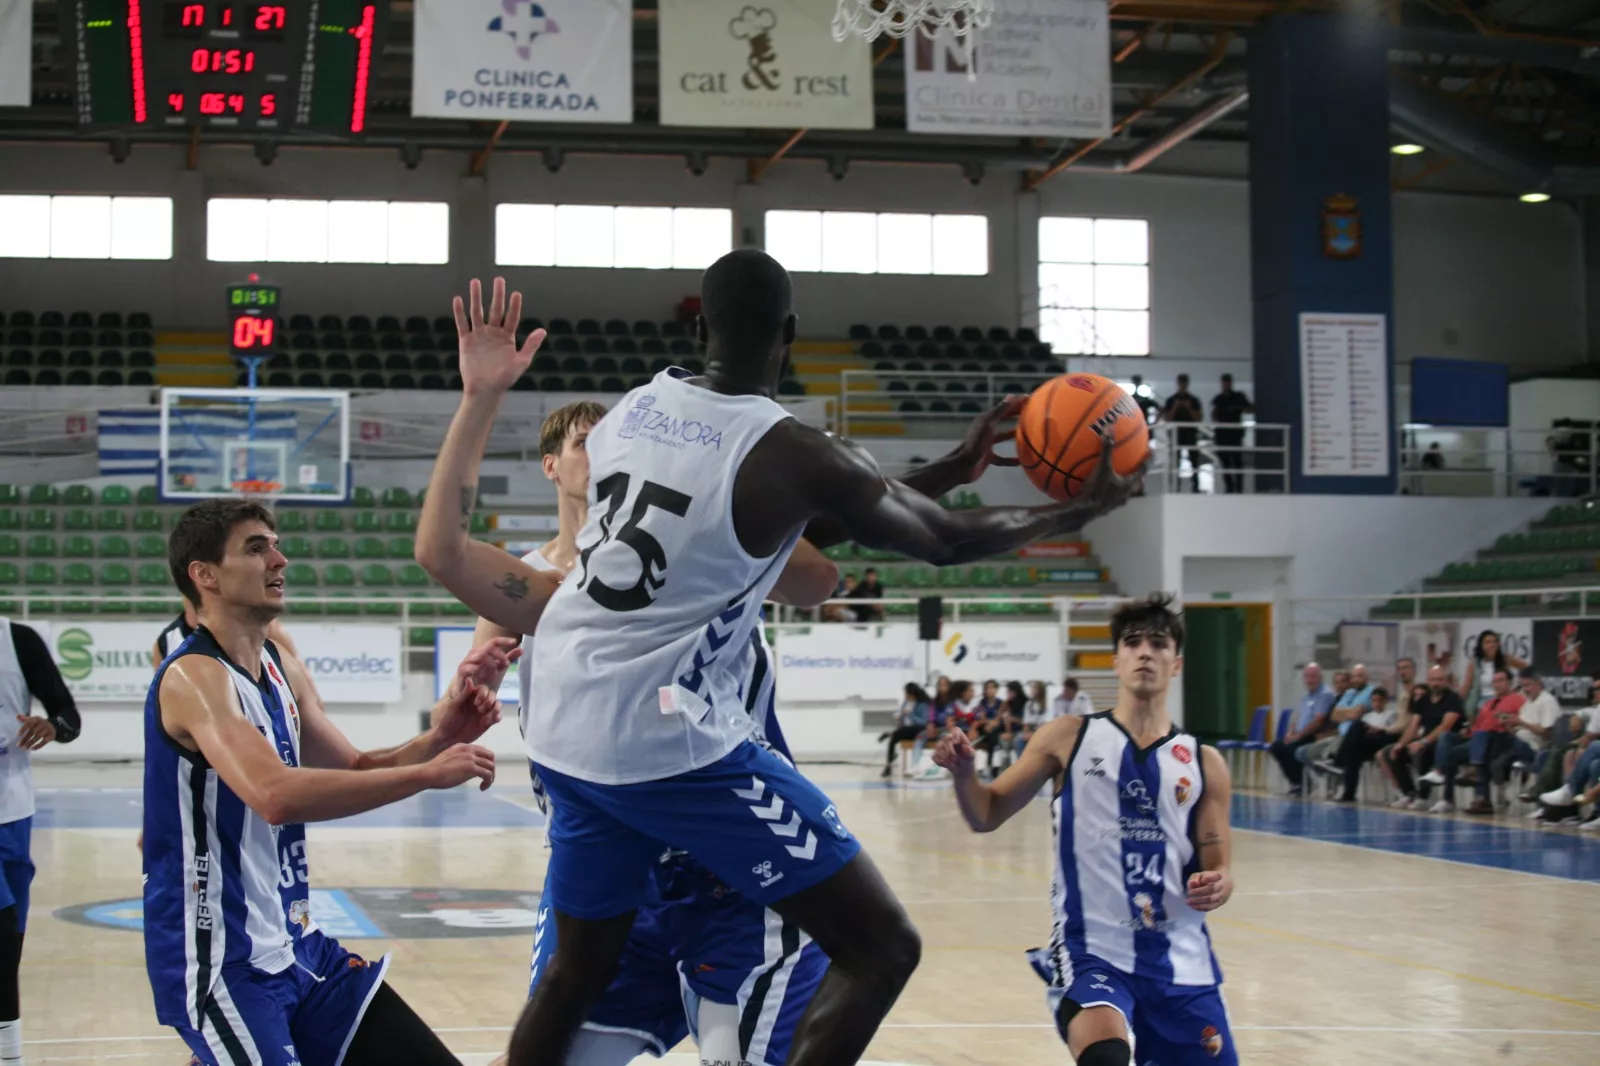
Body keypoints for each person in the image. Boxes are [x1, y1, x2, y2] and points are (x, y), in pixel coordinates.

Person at [413, 264, 1144, 1066]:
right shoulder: (792, 449)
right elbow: (943, 539)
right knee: (882, 947)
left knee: (578, 971)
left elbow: (775, 521)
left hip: (562, 731)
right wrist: (1084, 507)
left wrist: (941, 470)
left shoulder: (634, 414)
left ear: (698, 332)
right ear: (790, 337)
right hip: (663, 740)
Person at [142, 498, 516, 1066]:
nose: (279, 559)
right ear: (205, 575)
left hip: (298, 945)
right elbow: (275, 795)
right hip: (221, 959)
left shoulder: (279, 667)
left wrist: (438, 735)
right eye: (256, 547)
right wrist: (426, 775)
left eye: (275, 543)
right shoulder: (194, 676)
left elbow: (356, 768)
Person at [932, 594, 1237, 1066]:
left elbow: (1217, 860)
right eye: (1132, 642)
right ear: (1116, 660)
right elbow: (986, 814)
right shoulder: (1067, 737)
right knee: (1105, 1059)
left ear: (1175, 663)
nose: (1144, 652)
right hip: (1093, 951)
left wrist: (1219, 882)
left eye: (1158, 644)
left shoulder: (1203, 762)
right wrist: (964, 776)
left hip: (1180, 957)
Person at [0, 618, 81, 1066]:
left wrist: (51, 727)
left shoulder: (17, 641)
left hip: (11, 813)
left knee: (9, 946)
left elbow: (69, 717)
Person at [1427, 668, 1523, 814]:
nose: (1497, 684)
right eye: (1495, 681)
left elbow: (1522, 722)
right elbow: (1477, 727)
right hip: (1479, 740)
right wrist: (1467, 731)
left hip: (1502, 739)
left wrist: (1509, 722)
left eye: (1501, 680)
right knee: (1447, 741)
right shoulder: (1488, 703)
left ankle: (1478, 790)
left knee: (1480, 742)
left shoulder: (1518, 699)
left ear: (1509, 682)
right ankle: (1446, 796)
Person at [1379, 665, 1464, 809]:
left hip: (1445, 742)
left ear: (1446, 680)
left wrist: (1423, 742)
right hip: (1425, 740)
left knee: (1422, 750)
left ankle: (1425, 796)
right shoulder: (1423, 700)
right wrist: (1401, 743)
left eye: (1440, 679)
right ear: (1428, 681)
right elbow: (1413, 725)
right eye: (1433, 680)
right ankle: (1410, 794)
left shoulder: (1453, 698)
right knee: (1391, 751)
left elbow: (1446, 726)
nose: (1436, 683)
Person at [1270, 663, 1335, 796]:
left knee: (1291, 748)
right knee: (1276, 747)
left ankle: (1302, 784)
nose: (1310, 680)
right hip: (1301, 733)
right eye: (1307, 676)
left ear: (1320, 677)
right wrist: (1291, 732)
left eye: (1313, 676)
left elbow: (1318, 720)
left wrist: (1298, 736)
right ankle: (1296, 782)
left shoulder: (1325, 694)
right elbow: (1298, 717)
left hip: (1316, 735)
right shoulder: (1306, 696)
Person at [1329, 687, 1400, 803]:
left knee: (1357, 725)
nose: (1377, 704)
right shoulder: (1367, 716)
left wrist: (1377, 729)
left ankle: (1338, 760)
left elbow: (1393, 731)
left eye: (1380, 700)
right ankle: (1349, 794)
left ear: (1385, 701)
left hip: (1382, 740)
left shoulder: (1391, 714)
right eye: (1374, 700)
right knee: (1352, 754)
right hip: (1367, 743)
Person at [1458, 630, 1526, 710]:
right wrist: (1455, 702)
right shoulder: (1475, 663)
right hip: (1482, 702)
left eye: (1495, 642)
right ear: (1481, 646)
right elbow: (1466, 686)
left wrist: (1519, 687)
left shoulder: (1505, 659)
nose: (1492, 645)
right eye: (1488, 642)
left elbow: (1526, 668)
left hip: (1503, 700)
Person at [1209, 374, 1253, 495]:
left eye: (1227, 382)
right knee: (1225, 463)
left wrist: (1236, 408)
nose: (1226, 385)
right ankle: (1230, 487)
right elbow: (1213, 415)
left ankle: (1238, 488)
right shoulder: (1219, 399)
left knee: (1237, 462)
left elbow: (1250, 408)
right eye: (1224, 382)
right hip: (1222, 435)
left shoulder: (1238, 396)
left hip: (1235, 434)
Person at [1161, 374, 1204, 492]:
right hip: (1176, 435)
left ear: (1187, 383)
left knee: (1194, 461)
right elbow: (1167, 419)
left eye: (1184, 382)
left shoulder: (1193, 400)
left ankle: (1196, 486)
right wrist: (1175, 407)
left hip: (1190, 434)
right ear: (1178, 383)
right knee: (1175, 462)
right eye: (1181, 382)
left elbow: (1199, 418)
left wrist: (1189, 408)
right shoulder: (1171, 400)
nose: (1182, 385)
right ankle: (1175, 487)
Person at [882, 683, 932, 777]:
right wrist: (899, 717)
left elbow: (923, 722)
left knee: (899, 732)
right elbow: (903, 718)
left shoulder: (922, 704)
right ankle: (889, 765)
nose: (905, 696)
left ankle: (890, 734)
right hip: (906, 729)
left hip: (919, 729)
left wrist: (910, 714)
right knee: (893, 739)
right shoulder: (905, 702)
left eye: (907, 693)